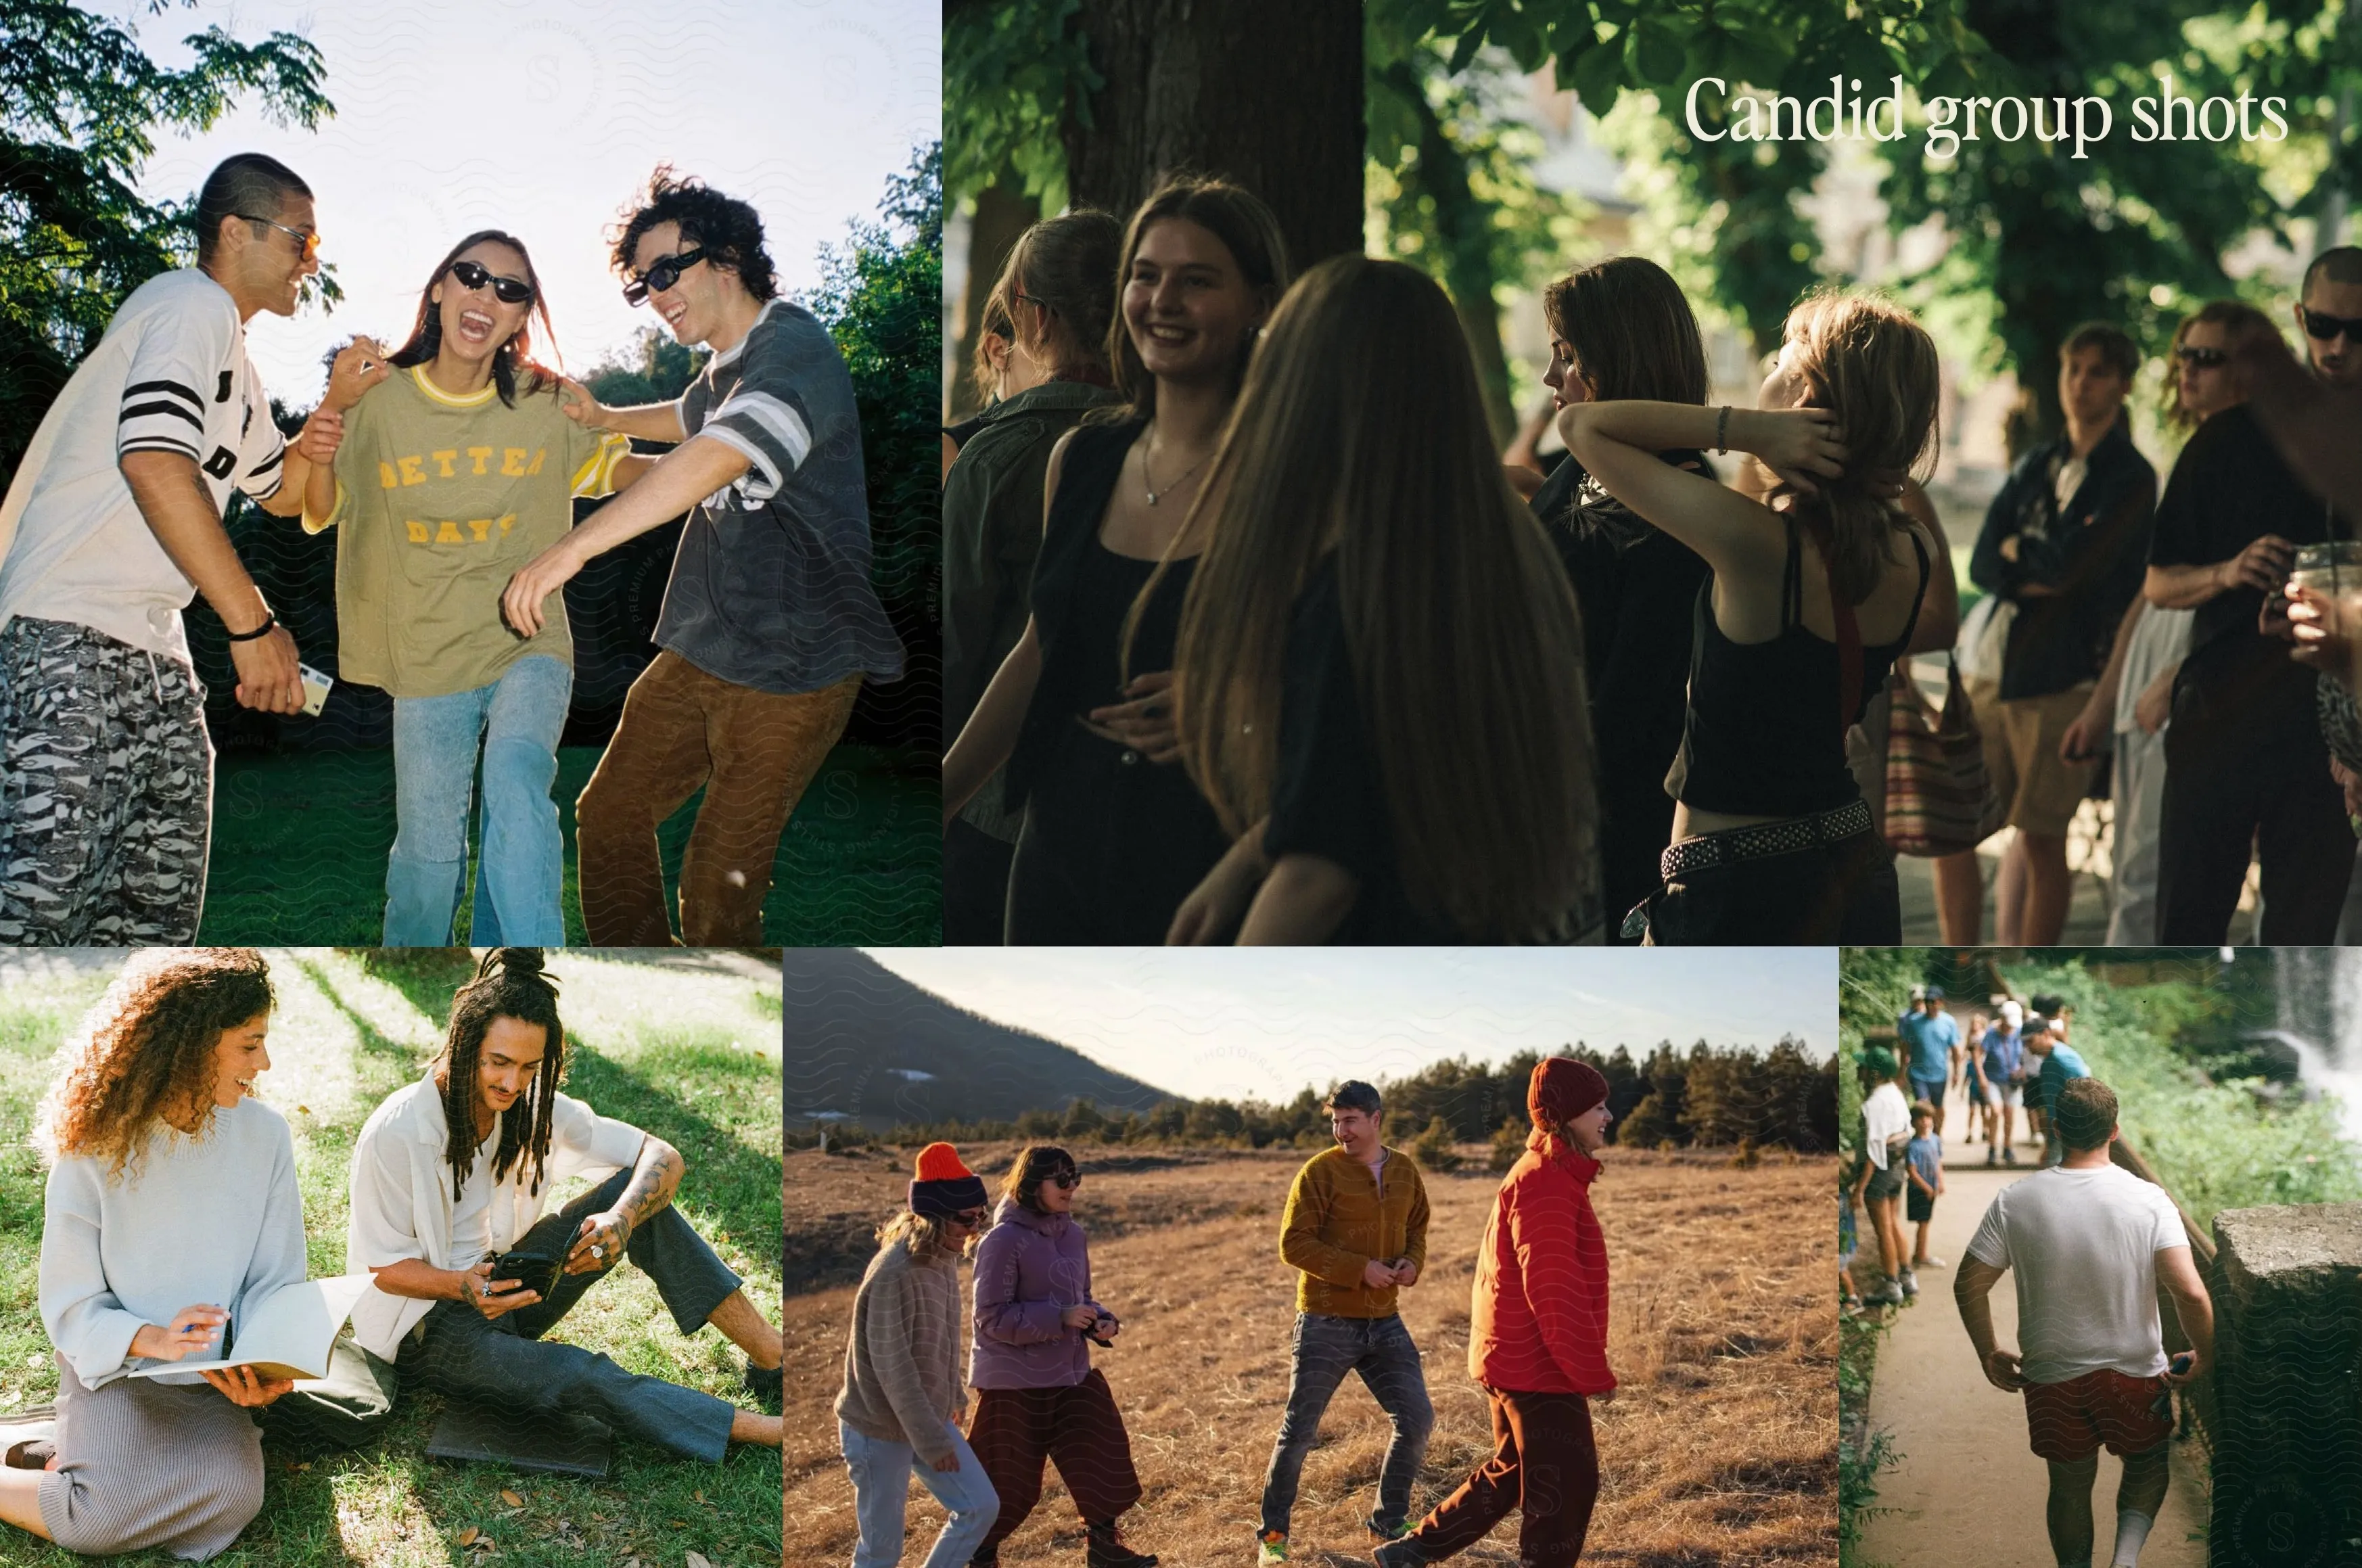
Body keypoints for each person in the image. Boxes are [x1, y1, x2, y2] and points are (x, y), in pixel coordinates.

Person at [501, 169, 906, 946]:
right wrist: (604, 415)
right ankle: (647, 984)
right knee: (609, 816)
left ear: (726, 254)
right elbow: (690, 419)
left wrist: (570, 551)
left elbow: (719, 449)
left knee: (717, 891)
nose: (655, 294)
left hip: (800, 665)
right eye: (641, 285)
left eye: (665, 271)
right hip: (706, 647)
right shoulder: (722, 372)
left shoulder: (795, 350)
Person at [1166, 256, 1603, 943]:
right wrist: (1254, 852)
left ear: (1309, 390)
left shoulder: (1353, 592)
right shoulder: (1498, 565)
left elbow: (1321, 874)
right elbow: (1375, 778)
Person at [0, 154, 344, 944]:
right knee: (35, 928)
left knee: (148, 936)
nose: (312, 259)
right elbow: (153, 460)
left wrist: (331, 416)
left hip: (158, 659)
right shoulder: (191, 305)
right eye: (302, 237)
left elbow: (283, 493)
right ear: (236, 231)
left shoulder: (237, 366)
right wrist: (254, 629)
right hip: (68, 638)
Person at [942, 177, 1289, 944]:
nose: (1163, 300)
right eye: (1146, 275)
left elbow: (1361, 670)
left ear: (1261, 303)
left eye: (1196, 281)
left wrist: (1235, 695)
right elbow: (1039, 648)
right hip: (1056, 840)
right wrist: (941, 796)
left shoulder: (1293, 473)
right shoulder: (1082, 457)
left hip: (1214, 845)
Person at [1563, 292, 1943, 943]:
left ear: (1804, 401)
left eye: (1779, 358)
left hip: (1739, 890)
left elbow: (1583, 428)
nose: (1762, 372)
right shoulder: (1915, 549)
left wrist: (1740, 430)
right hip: (1851, 864)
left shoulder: (1758, 548)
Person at [297, 233, 644, 946]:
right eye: (472, 276)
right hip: (426, 654)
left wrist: (709, 469)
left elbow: (615, 471)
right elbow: (319, 508)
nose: (486, 295)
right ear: (438, 290)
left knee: (518, 781)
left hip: (529, 636)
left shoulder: (546, 404)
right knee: (428, 851)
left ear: (521, 319)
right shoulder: (382, 400)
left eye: (510, 289)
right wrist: (324, 442)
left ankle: (525, 965)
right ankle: (415, 965)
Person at [346, 948, 785, 1464]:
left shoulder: (530, 1106)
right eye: (499, 1063)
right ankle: (767, 1430)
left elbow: (661, 1156)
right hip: (427, 1328)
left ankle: (775, 1359)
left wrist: (621, 1220)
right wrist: (461, 1286)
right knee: (578, 1373)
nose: (513, 1084)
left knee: (641, 1200)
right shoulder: (397, 1132)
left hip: (511, 1285)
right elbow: (382, 1268)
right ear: (464, 1046)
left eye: (530, 1067)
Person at [3, 950, 299, 1559]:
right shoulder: (92, 1150)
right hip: (116, 1367)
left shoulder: (266, 1136)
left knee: (236, 1494)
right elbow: (70, 1304)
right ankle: (49, 1463)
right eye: (249, 1045)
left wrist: (264, 1363)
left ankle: (54, 1448)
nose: (263, 1064)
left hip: (213, 1376)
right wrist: (153, 1339)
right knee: (97, 1521)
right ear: (192, 1043)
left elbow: (276, 1277)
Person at [2145, 248, 2362, 943]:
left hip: (2329, 734)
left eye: (2360, 331)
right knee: (2189, 928)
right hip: (2221, 718)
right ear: (2299, 318)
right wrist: (2228, 572)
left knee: (2303, 942)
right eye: (2325, 325)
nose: (2338, 346)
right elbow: (2157, 580)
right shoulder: (2227, 440)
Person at [942, 212, 1124, 944]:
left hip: (994, 810)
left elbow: (954, 649)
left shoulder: (1000, 456)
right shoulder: (1182, 440)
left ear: (1030, 314)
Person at [1523, 256, 1715, 938]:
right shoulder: (1584, 470)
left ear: (1622, 357)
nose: (1551, 378)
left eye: (1568, 357)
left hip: (1601, 825)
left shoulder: (1679, 506)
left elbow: (1630, 709)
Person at [1954, 1078, 2213, 1568]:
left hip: (2051, 1376)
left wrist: (1988, 1350)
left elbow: (1968, 1284)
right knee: (2147, 1466)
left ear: (2055, 1129)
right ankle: (2126, 1560)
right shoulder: (2149, 1199)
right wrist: (2207, 1352)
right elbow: (2191, 1291)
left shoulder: (2015, 1201)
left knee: (2069, 1486)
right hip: (2135, 1374)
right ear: (2114, 1132)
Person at [1953, 325, 2156, 946]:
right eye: (2074, 369)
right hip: (2000, 664)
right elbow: (1985, 562)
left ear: (2123, 385)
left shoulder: (2131, 477)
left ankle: (2029, 960)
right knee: (1955, 823)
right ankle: (1962, 948)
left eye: (2097, 372)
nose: (2080, 384)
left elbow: (2080, 570)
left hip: (2069, 674)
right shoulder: (2038, 462)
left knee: (2042, 836)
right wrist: (2032, 562)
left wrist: (2028, 554)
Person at [2068, 304, 2264, 944]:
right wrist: (2104, 702)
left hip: (2196, 671)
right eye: (2185, 354)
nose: (2190, 370)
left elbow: (2247, 600)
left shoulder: (2260, 459)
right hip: (2153, 663)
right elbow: (2148, 593)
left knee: (2151, 870)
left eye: (2209, 358)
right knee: (2130, 861)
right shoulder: (2197, 449)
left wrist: (2175, 679)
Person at [1374, 1058, 1617, 1568]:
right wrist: (1586, 1366)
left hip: (1516, 1355)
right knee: (1567, 1484)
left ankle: (1413, 1551)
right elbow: (1551, 1285)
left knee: (1516, 1469)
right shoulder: (1545, 1180)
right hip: (1536, 1363)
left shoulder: (1553, 1173)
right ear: (1567, 1115)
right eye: (1597, 1106)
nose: (1608, 1116)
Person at [1255, 1081, 1433, 1565]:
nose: (1342, 1131)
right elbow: (1294, 1244)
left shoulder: (1404, 1169)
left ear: (1377, 1120)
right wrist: (1360, 1268)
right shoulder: (1319, 1172)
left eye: (1351, 1120)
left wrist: (1412, 1263)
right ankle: (1272, 1539)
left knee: (1417, 1419)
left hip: (1385, 1322)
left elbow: (1417, 1224)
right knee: (1300, 1433)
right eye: (1336, 1121)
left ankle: (1389, 1520)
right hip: (1326, 1322)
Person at [965, 1146, 1156, 1568]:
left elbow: (1081, 1299)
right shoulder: (1001, 1240)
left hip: (1071, 1373)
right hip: (1013, 1382)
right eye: (1061, 1180)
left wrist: (1099, 1320)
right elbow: (990, 1317)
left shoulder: (1074, 1234)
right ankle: (978, 1558)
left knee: (1101, 1456)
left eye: (1076, 1177)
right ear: (1033, 1185)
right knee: (1007, 1484)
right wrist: (1062, 1317)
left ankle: (1105, 1550)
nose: (1072, 1187)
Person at [837, 1143, 998, 1568]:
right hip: (877, 1429)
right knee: (881, 1551)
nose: (975, 1227)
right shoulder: (895, 1272)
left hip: (926, 1417)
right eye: (967, 1218)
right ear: (935, 1216)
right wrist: (931, 1438)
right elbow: (896, 1370)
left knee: (980, 1506)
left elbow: (939, 1341)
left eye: (980, 1215)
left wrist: (953, 1398)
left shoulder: (942, 1259)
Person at [1851, 1046, 1914, 1306]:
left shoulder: (1874, 1103)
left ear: (1874, 1073)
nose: (1859, 1070)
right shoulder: (1895, 1092)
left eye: (1863, 1066)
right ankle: (1907, 1276)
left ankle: (1891, 1284)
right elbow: (1907, 1130)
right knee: (1894, 1223)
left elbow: (1874, 1151)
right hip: (1898, 1169)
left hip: (1881, 1172)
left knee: (1883, 1230)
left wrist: (1860, 1189)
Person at [2022, 1016, 2091, 1169]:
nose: (2028, 1047)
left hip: (2071, 1128)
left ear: (2046, 1034)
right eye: (2025, 1043)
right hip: (2057, 1127)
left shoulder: (2063, 1059)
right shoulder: (2048, 1061)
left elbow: (2086, 1091)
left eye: (2031, 1041)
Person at [1899, 985, 1960, 1136]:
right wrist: (1902, 1070)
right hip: (1918, 1072)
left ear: (1940, 1003)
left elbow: (1955, 1050)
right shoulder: (1913, 1022)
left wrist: (1957, 1073)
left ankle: (1937, 1135)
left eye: (1934, 1002)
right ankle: (1923, 1136)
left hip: (1939, 1073)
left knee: (1938, 1107)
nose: (1930, 1005)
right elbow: (1905, 1046)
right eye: (1928, 1002)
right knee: (1922, 1104)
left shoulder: (1949, 1022)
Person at [1974, 1000, 2028, 1168]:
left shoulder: (2019, 1033)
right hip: (1993, 1079)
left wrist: (2022, 1070)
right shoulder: (1991, 1034)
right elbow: (1977, 1055)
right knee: (1996, 1112)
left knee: (2010, 1113)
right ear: (2003, 1018)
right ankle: (1992, 1148)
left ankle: (2007, 1147)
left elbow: (2026, 1055)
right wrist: (1982, 1078)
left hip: (2011, 1081)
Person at [1903, 1101, 1945, 1270]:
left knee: (1925, 1221)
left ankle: (1919, 1253)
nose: (1924, 1121)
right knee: (1923, 1222)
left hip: (1931, 1188)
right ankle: (1921, 1255)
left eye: (1928, 1117)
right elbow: (1912, 1171)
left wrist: (1940, 1181)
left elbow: (1938, 1162)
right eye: (1920, 1118)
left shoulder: (1935, 1140)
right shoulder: (1912, 1145)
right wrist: (1927, 1188)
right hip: (1919, 1190)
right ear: (1913, 1122)